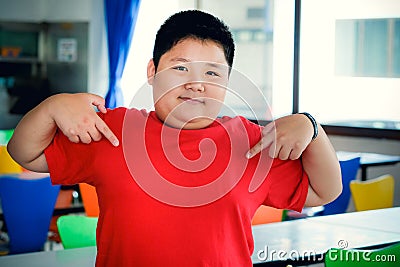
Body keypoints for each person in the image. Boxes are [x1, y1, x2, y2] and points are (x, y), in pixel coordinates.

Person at [7, 10, 342, 267]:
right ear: (152, 72)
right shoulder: (116, 130)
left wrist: (312, 128)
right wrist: (52, 107)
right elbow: (24, 152)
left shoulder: (251, 141)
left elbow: (325, 191)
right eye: (180, 68)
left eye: (212, 72)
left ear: (227, 81)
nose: (196, 83)